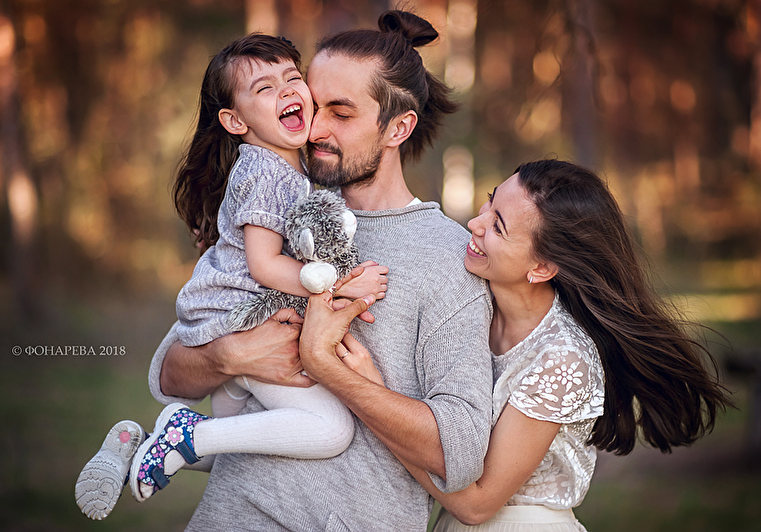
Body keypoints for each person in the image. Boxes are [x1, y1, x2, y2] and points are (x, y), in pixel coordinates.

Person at [148, 10, 494, 532]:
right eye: (315, 103)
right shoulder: (281, 214)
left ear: (398, 127)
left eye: (342, 113)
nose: (316, 128)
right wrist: (231, 355)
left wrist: (328, 366)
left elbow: (460, 452)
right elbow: (171, 374)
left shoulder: (448, 259)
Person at [303, 159, 731, 532]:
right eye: (490, 203)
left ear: (541, 267)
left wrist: (366, 392)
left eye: (498, 226)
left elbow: (477, 504)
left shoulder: (562, 359)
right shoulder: (471, 309)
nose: (475, 224)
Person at [74, 33, 388, 521]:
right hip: (239, 319)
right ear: (235, 121)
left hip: (233, 316)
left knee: (244, 443)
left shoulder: (289, 167)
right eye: (264, 88)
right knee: (330, 430)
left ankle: (145, 443)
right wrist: (342, 287)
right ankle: (183, 435)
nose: (287, 91)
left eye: (292, 77)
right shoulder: (266, 172)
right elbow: (264, 265)